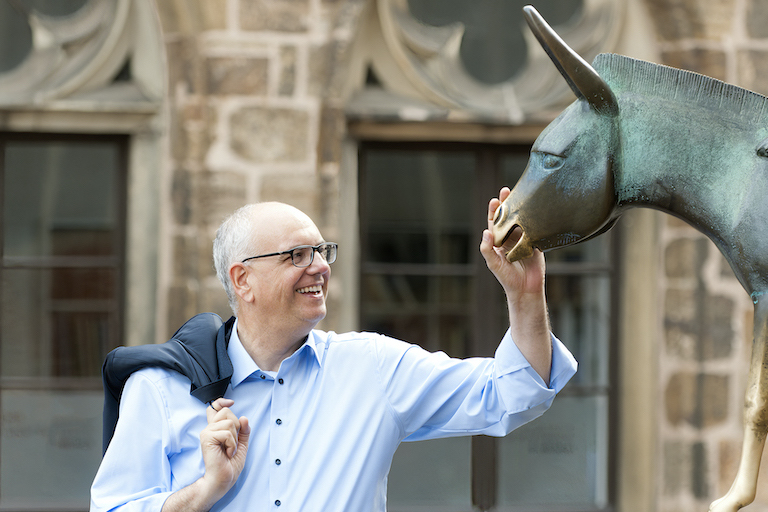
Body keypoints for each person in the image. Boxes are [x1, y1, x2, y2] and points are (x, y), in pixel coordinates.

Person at [90, 188, 577, 511]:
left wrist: (525, 295)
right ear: (243, 280)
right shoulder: (159, 387)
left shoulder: (374, 369)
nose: (320, 266)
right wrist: (205, 491)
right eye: (297, 256)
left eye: (323, 252)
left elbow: (515, 393)